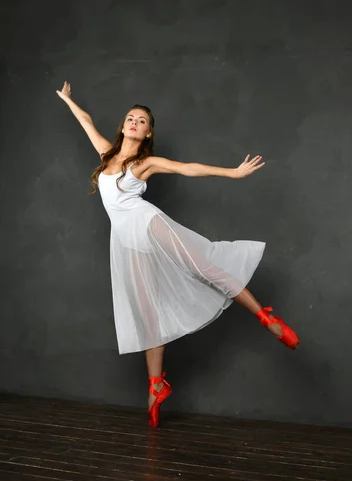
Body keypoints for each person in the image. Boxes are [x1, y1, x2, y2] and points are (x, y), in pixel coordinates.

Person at [56, 81, 300, 428]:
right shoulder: (107, 154)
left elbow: (186, 168)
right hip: (126, 241)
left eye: (141, 121)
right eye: (130, 117)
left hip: (147, 223)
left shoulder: (146, 162)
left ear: (148, 131)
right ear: (123, 125)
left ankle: (266, 317)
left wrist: (232, 172)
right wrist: (68, 99)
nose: (134, 122)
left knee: (202, 266)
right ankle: (156, 385)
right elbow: (85, 121)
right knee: (146, 310)